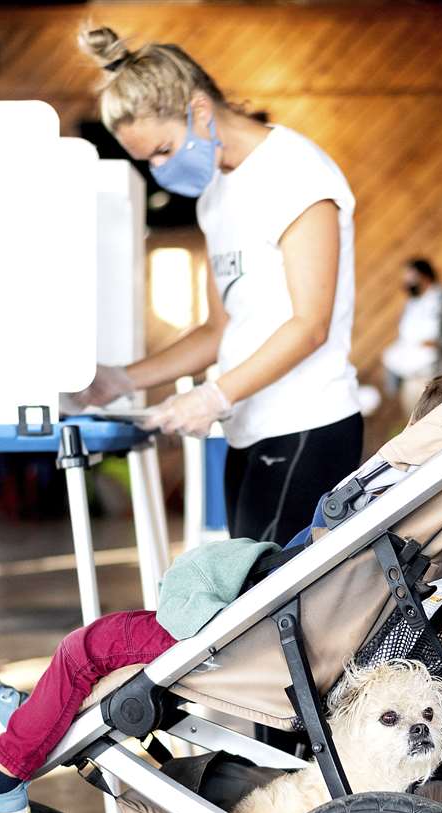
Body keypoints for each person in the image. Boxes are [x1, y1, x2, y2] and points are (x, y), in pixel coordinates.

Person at [0, 373, 442, 813]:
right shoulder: (439, 504)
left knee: (88, 647)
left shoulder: (392, 487)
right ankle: (40, 713)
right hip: (300, 623)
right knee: (102, 659)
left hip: (266, 634)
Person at [68, 27, 363, 546]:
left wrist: (213, 394)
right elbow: (216, 330)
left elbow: (311, 324)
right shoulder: (216, 195)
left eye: (163, 150)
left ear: (199, 111)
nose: (160, 170)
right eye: (149, 161)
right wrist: (120, 380)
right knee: (245, 601)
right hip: (248, 426)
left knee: (269, 608)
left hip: (307, 424)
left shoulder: (296, 173)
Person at [382, 258, 442, 416]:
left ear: (424, 277)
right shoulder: (411, 305)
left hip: (440, 379)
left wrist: (437, 343)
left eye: (410, 276)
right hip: (412, 377)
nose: (406, 281)